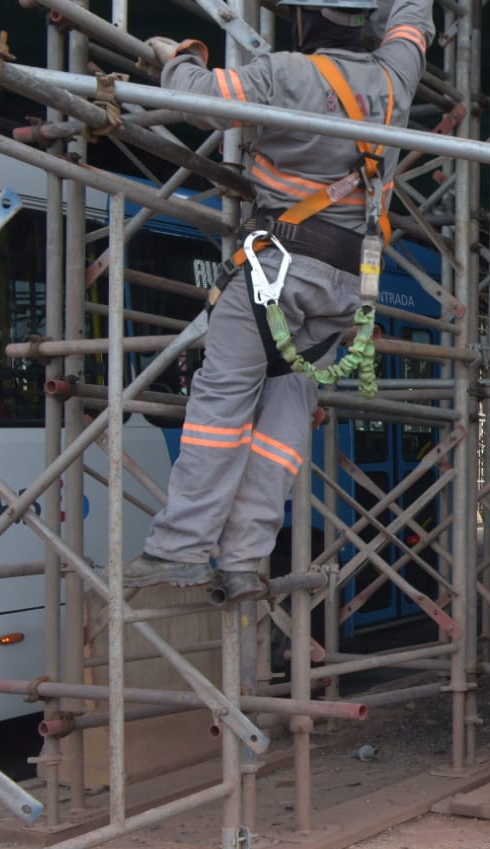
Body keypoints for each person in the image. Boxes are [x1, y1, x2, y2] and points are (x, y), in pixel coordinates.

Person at [125, 0, 433, 601]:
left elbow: (197, 98)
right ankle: (243, 560)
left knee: (220, 410)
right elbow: (414, 24)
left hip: (278, 268)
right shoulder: (397, 77)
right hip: (346, 284)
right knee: (281, 427)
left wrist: (178, 56)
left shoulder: (283, 73)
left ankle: (180, 549)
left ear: (303, 22)